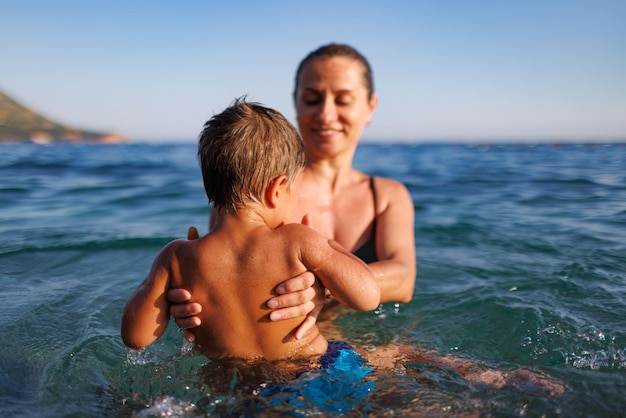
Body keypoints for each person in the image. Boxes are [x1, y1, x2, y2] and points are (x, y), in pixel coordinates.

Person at [168, 43, 416, 339]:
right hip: (286, 352)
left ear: (370, 106)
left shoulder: (387, 195)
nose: (325, 114)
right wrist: (188, 300)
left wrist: (321, 283)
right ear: (296, 102)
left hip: (370, 342)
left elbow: (404, 280)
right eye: (312, 99)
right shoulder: (253, 194)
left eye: (343, 100)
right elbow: (221, 278)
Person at [121, 99, 380, 360]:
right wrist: (325, 247)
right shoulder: (297, 240)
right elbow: (368, 297)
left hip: (232, 389)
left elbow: (135, 338)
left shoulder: (177, 257)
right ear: (276, 191)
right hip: (310, 372)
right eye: (295, 193)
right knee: (398, 357)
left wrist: (167, 278)